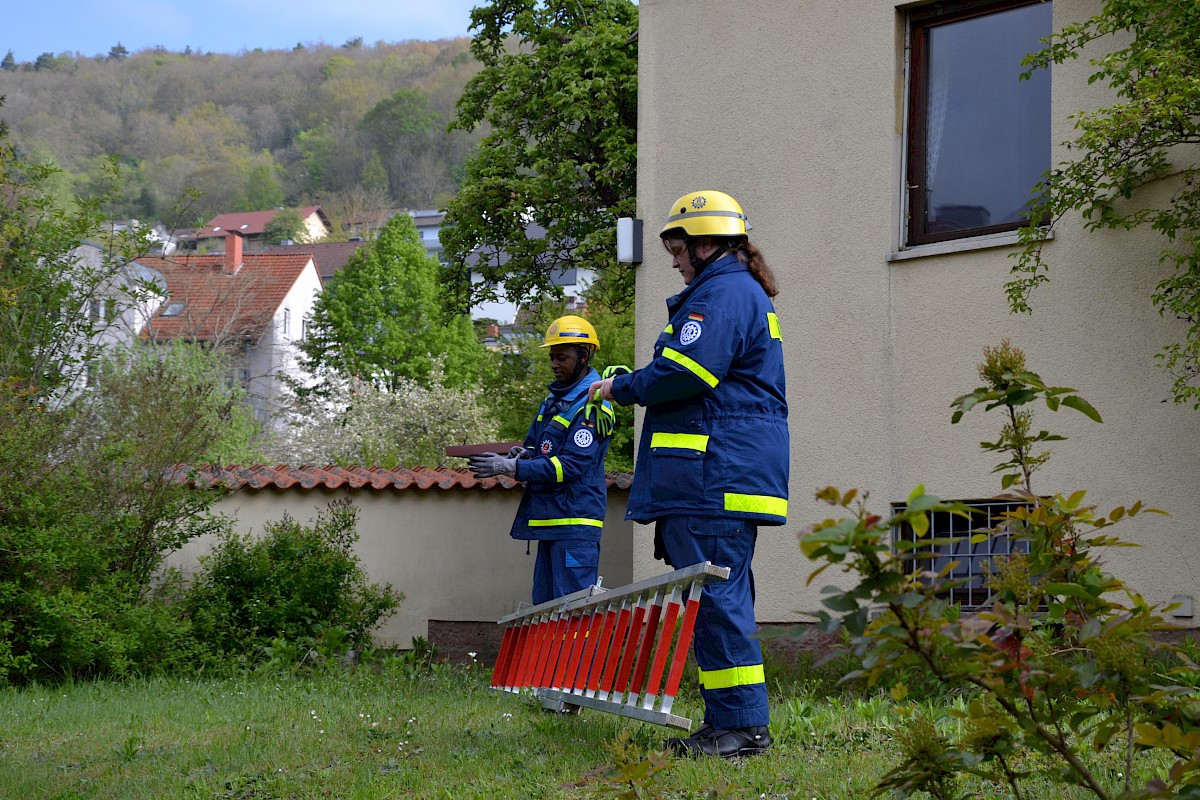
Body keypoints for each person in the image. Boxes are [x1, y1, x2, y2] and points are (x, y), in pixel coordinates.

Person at [589, 190, 788, 758]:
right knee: (719, 602)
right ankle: (733, 724)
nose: (674, 261)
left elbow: (685, 372)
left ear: (706, 245)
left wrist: (619, 386)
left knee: (718, 603)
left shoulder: (721, 294)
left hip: (712, 480)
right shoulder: (735, 290)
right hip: (718, 478)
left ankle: (741, 730)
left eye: (678, 249)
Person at [469, 315, 616, 606]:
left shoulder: (595, 405)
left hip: (575, 525)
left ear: (584, 355)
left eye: (562, 357)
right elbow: (536, 447)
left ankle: (576, 655)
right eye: (552, 357)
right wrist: (523, 455)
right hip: (551, 522)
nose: (554, 364)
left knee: (572, 613)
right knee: (544, 612)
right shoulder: (552, 401)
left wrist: (512, 467)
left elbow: (571, 465)